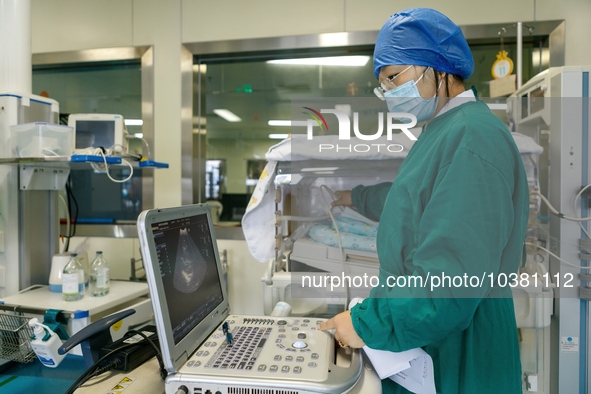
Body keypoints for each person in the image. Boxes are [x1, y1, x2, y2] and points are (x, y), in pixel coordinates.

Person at [318, 8, 528, 394]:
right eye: (383, 86)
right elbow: (412, 202)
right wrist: (354, 197)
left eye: (394, 78)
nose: (390, 94)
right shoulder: (443, 132)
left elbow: (449, 285)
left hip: (457, 349)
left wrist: (366, 322)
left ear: (439, 69)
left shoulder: (472, 138)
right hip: (428, 336)